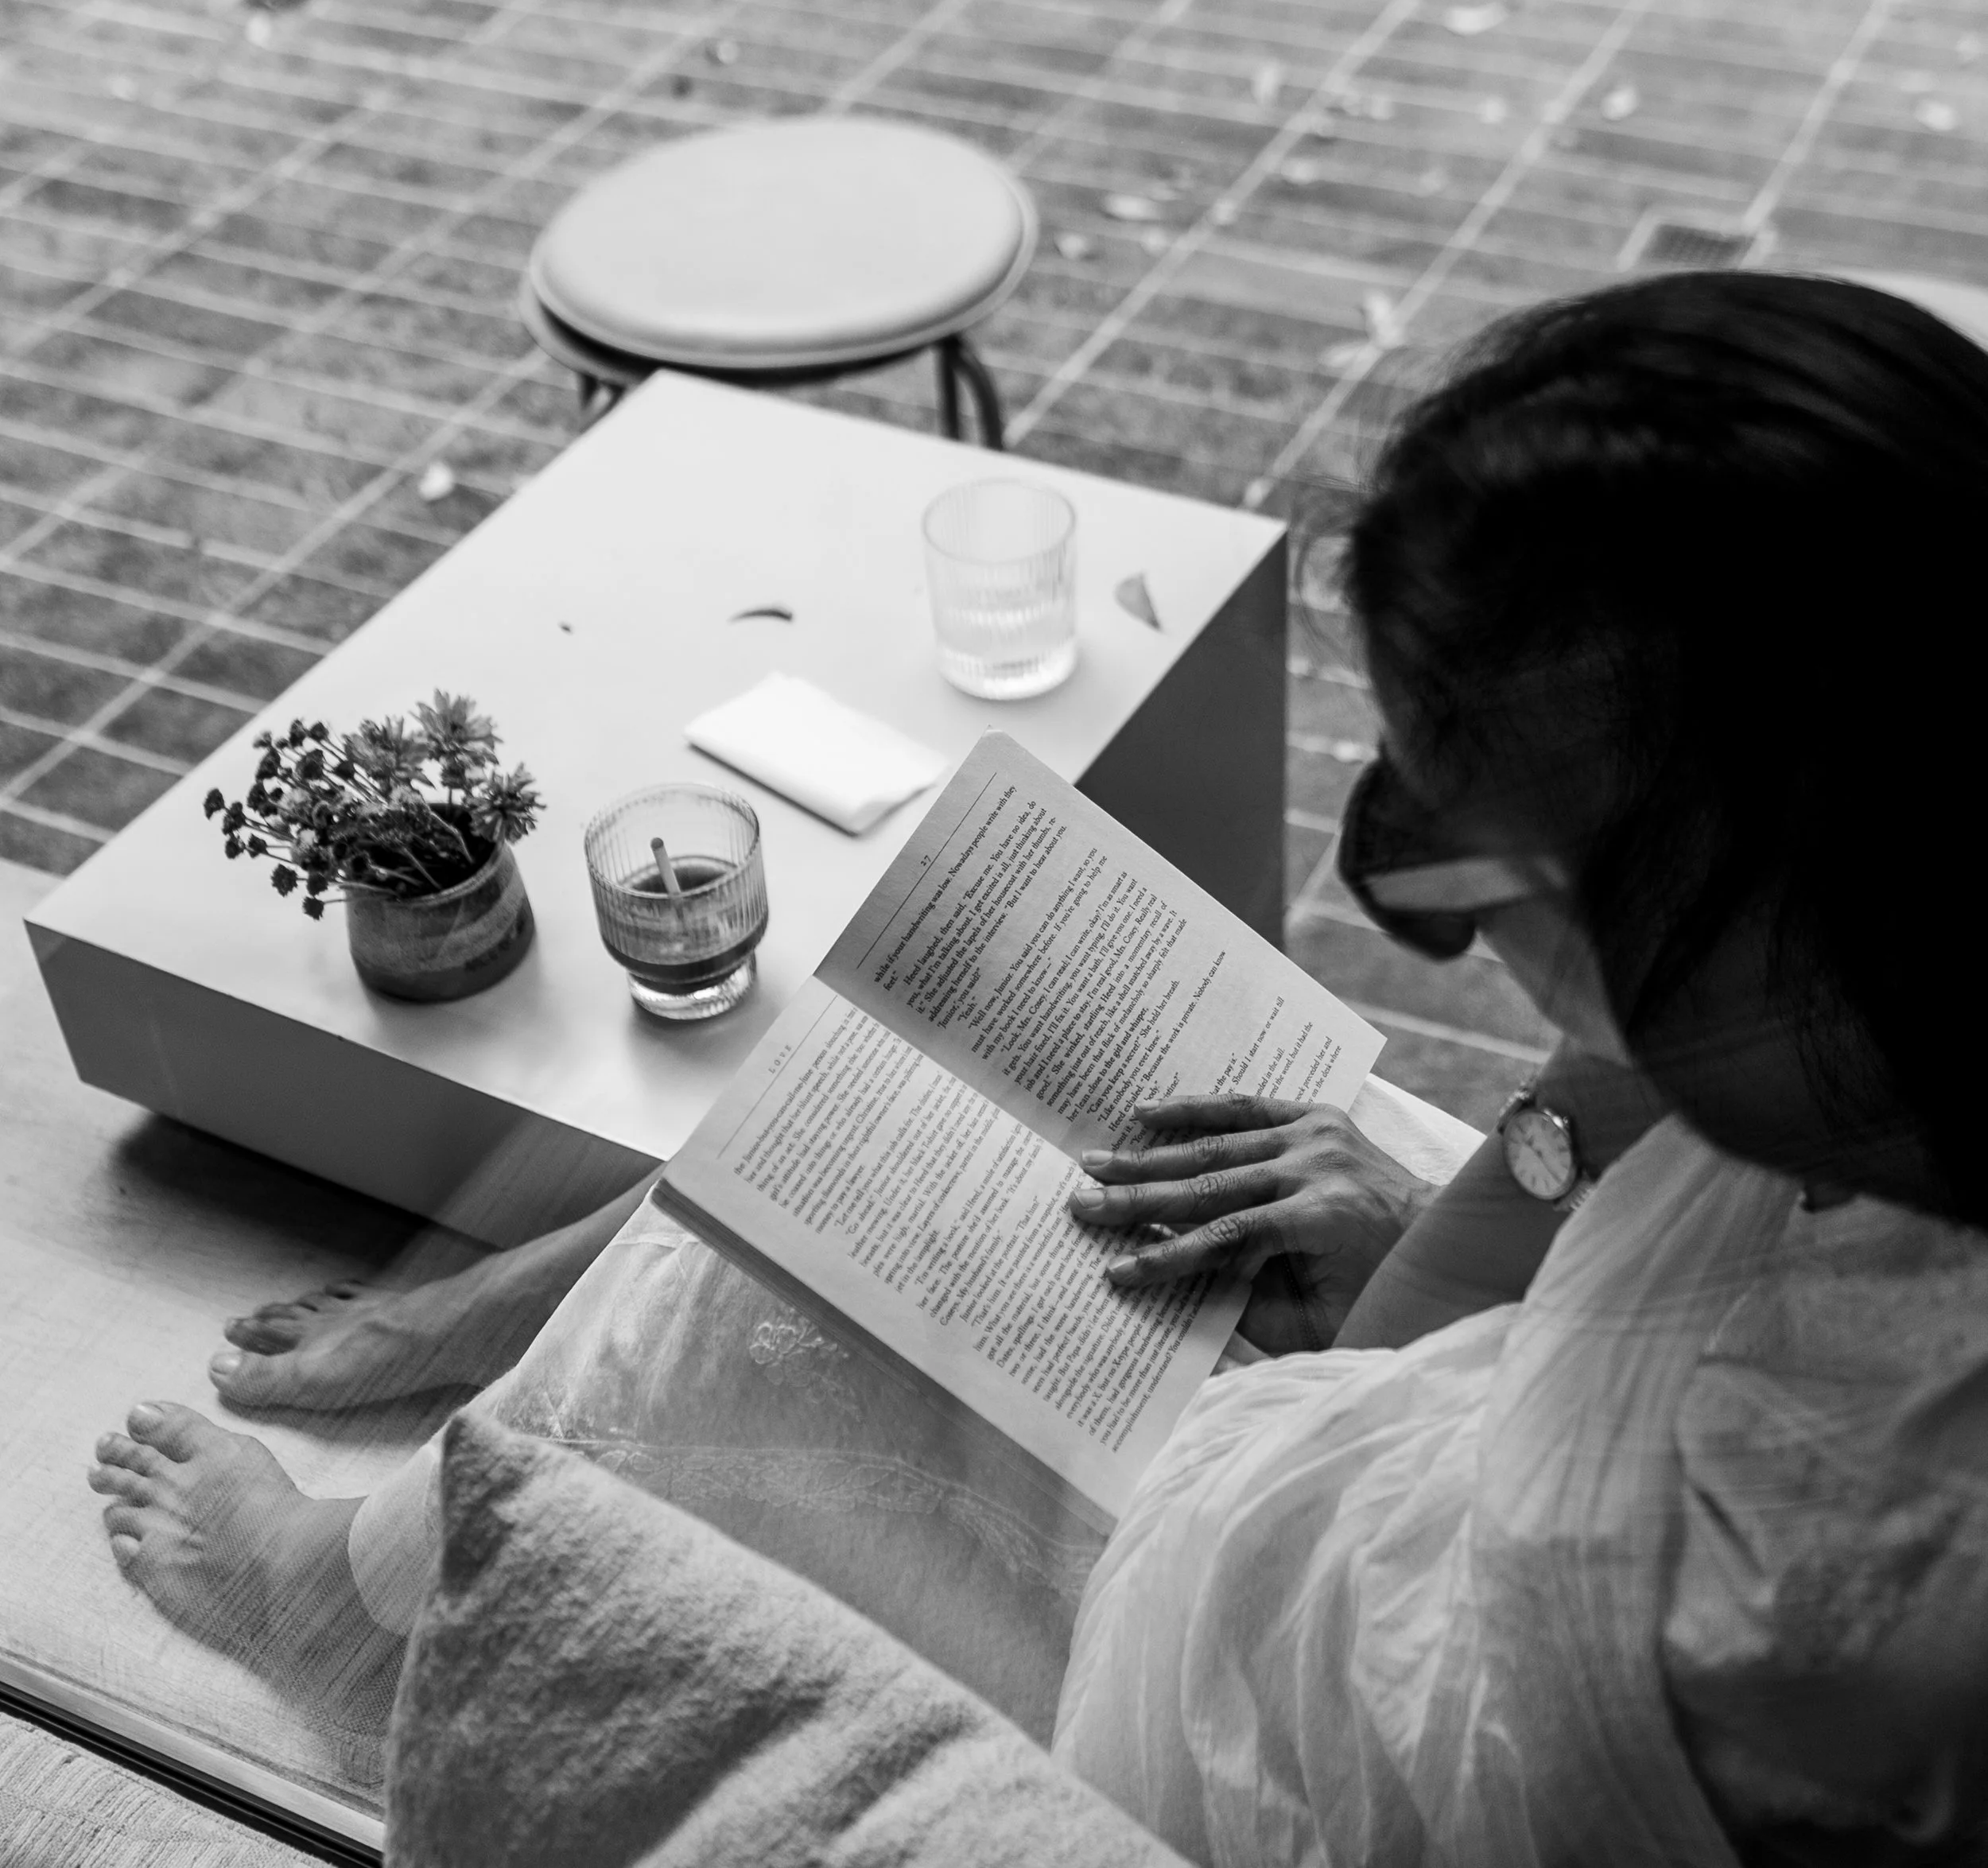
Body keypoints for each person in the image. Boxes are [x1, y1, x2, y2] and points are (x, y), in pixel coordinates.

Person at [87, 272, 1988, 1862]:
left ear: (1719, 912)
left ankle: (341, 1599)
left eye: (1456, 862)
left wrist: (1421, 1297)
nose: (1437, 910)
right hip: (1484, 1346)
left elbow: (1333, 1702)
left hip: (1316, 1575)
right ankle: (488, 1333)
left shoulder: (1788, 1614)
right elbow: (1605, 1169)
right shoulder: (1882, 961)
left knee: (738, 1295)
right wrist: (1461, 1203)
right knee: (914, 1061)